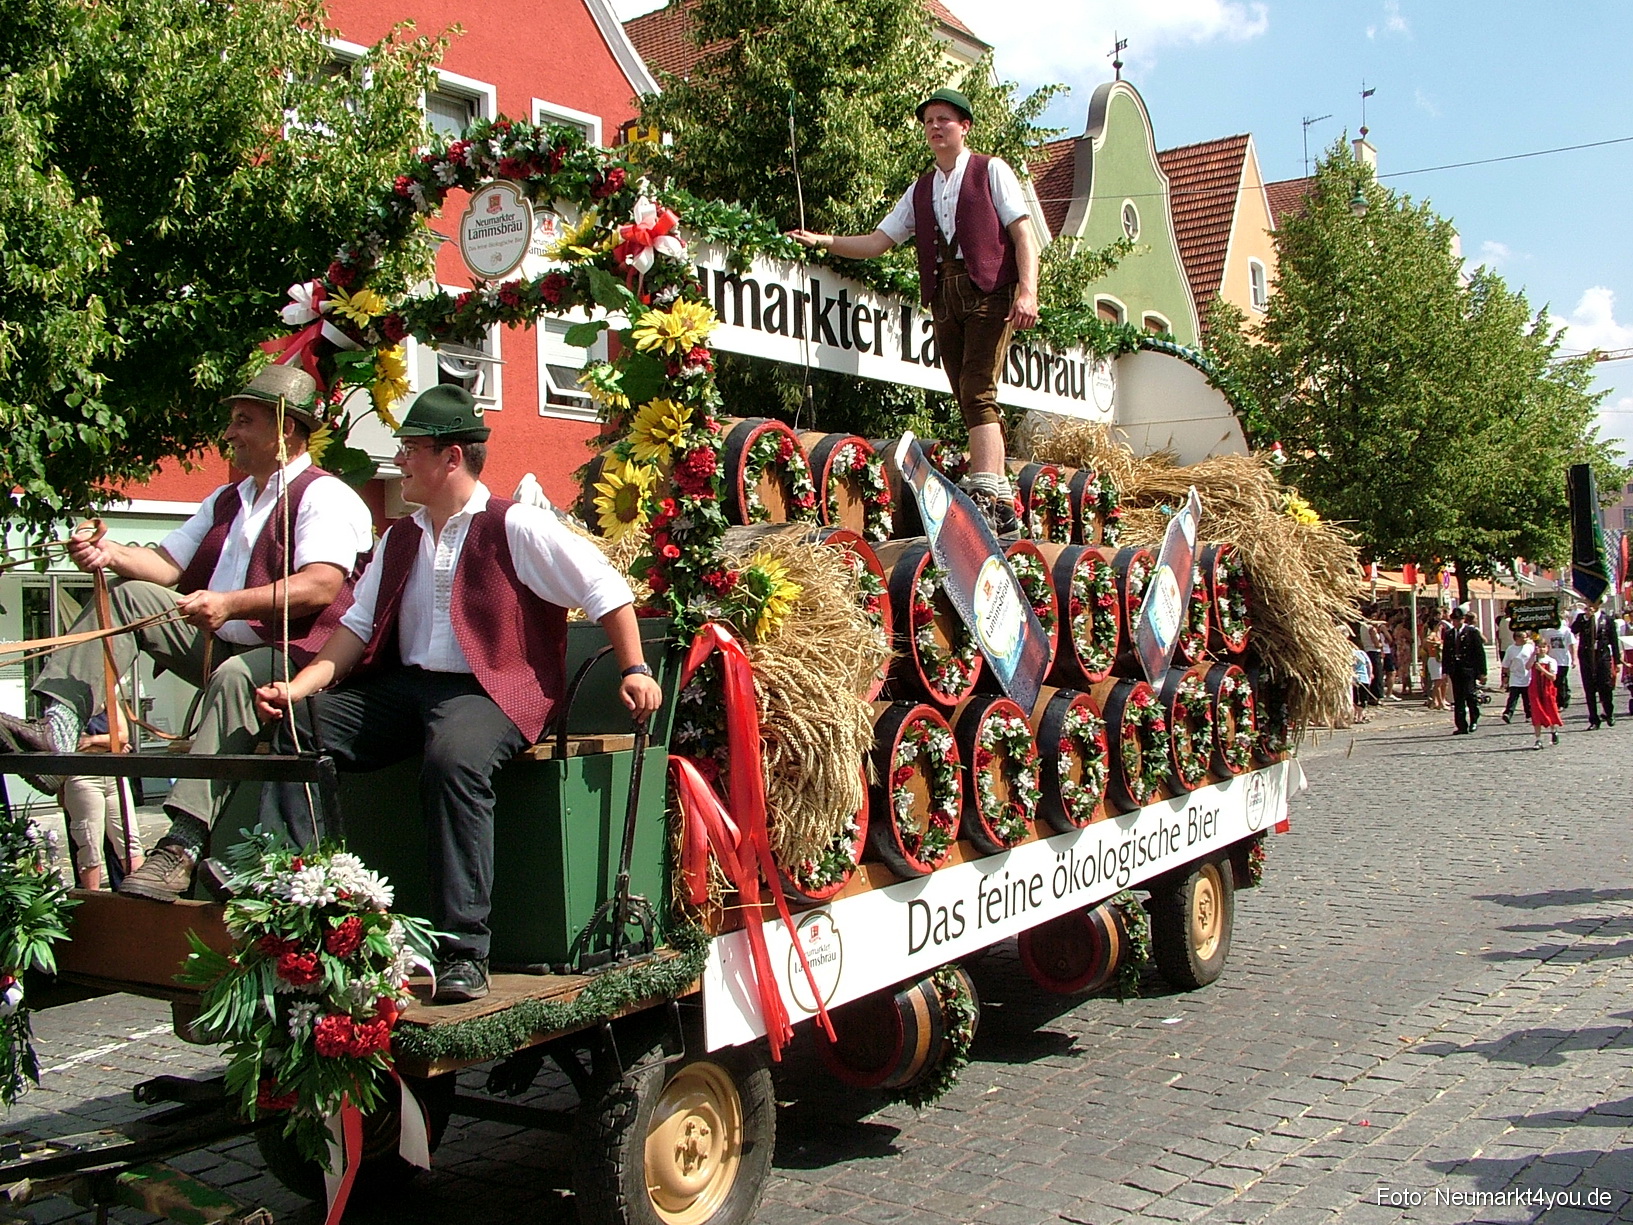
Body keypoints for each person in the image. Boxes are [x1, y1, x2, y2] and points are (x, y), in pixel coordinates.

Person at [255, 387, 664, 1004]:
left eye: (410, 449)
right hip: (407, 688)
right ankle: (291, 893)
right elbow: (354, 631)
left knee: (454, 758)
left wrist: (634, 667)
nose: (399, 460)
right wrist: (299, 687)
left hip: (495, 687)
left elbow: (606, 588)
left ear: (450, 458)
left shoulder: (516, 525)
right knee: (296, 728)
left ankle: (464, 951)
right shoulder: (399, 537)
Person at [0, 365, 373, 901]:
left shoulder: (326, 496)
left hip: (299, 657)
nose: (229, 433)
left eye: (244, 421)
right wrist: (109, 553)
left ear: (287, 430)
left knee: (237, 677)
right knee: (128, 594)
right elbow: (167, 567)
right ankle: (59, 724)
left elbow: (319, 586)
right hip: (224, 642)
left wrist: (229, 603)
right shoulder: (227, 499)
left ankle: (181, 845)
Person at [787, 88, 1040, 536]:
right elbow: (878, 242)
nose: (936, 127)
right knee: (965, 392)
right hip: (945, 293)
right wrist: (825, 241)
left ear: (965, 127)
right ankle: (1000, 498)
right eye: (929, 121)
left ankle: (983, 489)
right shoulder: (922, 188)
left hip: (988, 290)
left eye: (945, 119)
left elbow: (1023, 234)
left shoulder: (991, 170)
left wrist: (1027, 291)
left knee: (978, 388)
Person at [60, 712, 144, 890]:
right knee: (89, 844)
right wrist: (110, 745)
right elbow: (70, 744)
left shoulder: (107, 697)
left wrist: (92, 741)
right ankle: (94, 903)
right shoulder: (68, 701)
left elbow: (123, 736)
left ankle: (139, 898)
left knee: (129, 841)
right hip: (83, 774)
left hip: (113, 774)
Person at [1572, 599, 1619, 729]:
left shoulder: (1607, 619)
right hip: (1587, 657)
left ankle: (1608, 712)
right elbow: (1573, 630)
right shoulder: (1582, 618)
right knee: (1589, 688)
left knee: (1605, 686)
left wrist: (1617, 661)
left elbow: (1613, 641)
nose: (1591, 605)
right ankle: (1593, 719)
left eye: (1594, 603)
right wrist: (1586, 619)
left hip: (1602, 656)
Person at [1445, 605, 1487, 735]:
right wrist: (1445, 670)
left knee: (1470, 695)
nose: (1455, 623)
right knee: (1458, 698)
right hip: (1455, 669)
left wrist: (1482, 672)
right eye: (1454, 620)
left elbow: (1479, 652)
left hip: (1468, 669)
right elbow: (1446, 653)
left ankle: (1474, 719)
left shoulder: (1471, 632)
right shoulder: (1450, 634)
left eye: (1458, 620)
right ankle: (1461, 725)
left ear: (1463, 620)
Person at [1499, 632, 1536, 724]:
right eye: (1523, 637)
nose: (1525, 639)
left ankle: (1529, 715)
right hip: (1515, 677)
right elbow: (1506, 665)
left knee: (1527, 698)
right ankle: (1508, 713)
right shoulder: (1511, 649)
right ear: (1516, 638)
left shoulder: (1530, 648)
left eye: (1526, 637)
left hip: (1528, 676)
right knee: (1513, 697)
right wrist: (1505, 678)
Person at [1543, 613, 1576, 709]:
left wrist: (1573, 659)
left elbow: (1571, 645)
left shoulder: (1566, 631)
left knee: (1561, 681)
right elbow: (1546, 644)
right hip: (1552, 660)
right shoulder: (1548, 632)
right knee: (1555, 681)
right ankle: (1557, 699)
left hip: (1563, 660)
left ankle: (1562, 702)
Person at [1422, 611, 1447, 710]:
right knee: (1437, 682)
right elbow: (1426, 640)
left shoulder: (1438, 635)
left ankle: (1437, 701)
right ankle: (1439, 702)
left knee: (1442, 681)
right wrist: (1436, 644)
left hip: (1439, 659)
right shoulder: (1432, 634)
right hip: (1434, 659)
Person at [1350, 630, 1373, 725]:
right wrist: (1370, 675)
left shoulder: (1349, 654)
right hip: (1363, 678)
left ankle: (1357, 716)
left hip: (1354, 679)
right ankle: (1359, 716)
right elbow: (1369, 664)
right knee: (1363, 699)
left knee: (1355, 699)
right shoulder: (1362, 653)